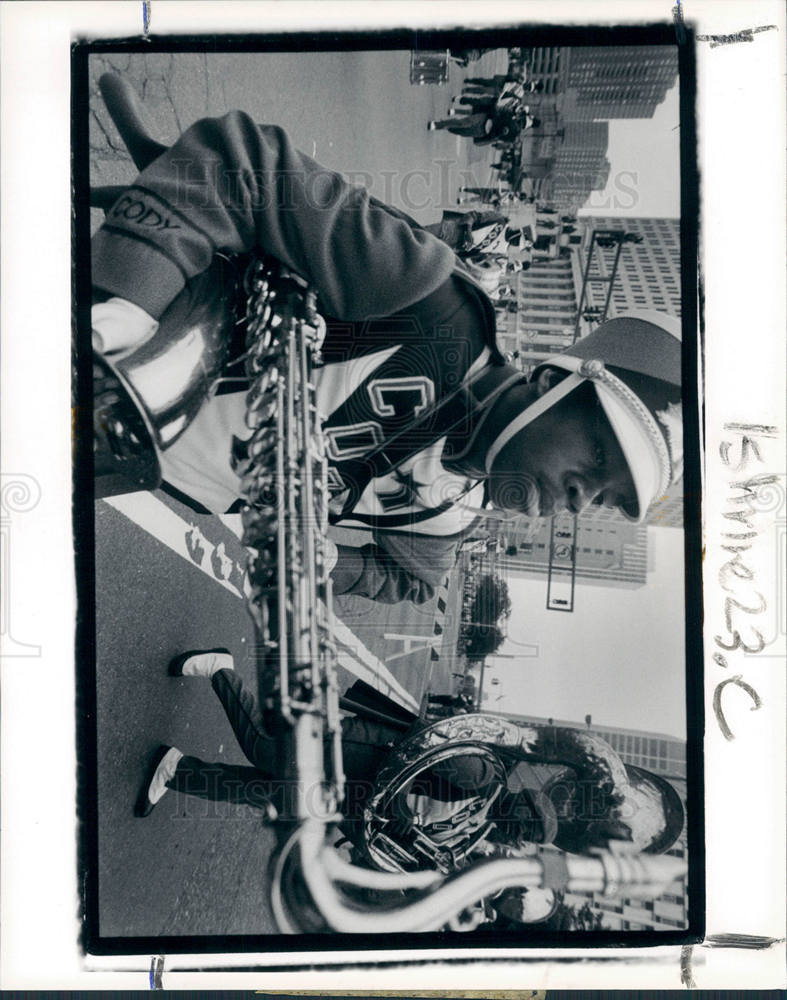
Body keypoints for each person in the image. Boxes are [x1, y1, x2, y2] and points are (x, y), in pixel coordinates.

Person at [92, 109, 685, 608]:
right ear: (555, 381)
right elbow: (241, 161)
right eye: (600, 452)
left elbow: (414, 582)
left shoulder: (455, 515)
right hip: (96, 358)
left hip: (122, 463)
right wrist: (123, 306)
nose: (583, 500)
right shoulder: (436, 310)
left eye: (604, 497)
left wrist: (327, 563)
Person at [135, 650, 685, 863]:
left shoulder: (480, 819)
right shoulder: (482, 775)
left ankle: (177, 770)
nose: (517, 836)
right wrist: (395, 817)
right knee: (262, 747)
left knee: (267, 792)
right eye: (524, 827)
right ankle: (221, 669)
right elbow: (415, 753)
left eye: (524, 835)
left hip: (353, 792)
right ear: (523, 807)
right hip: (359, 756)